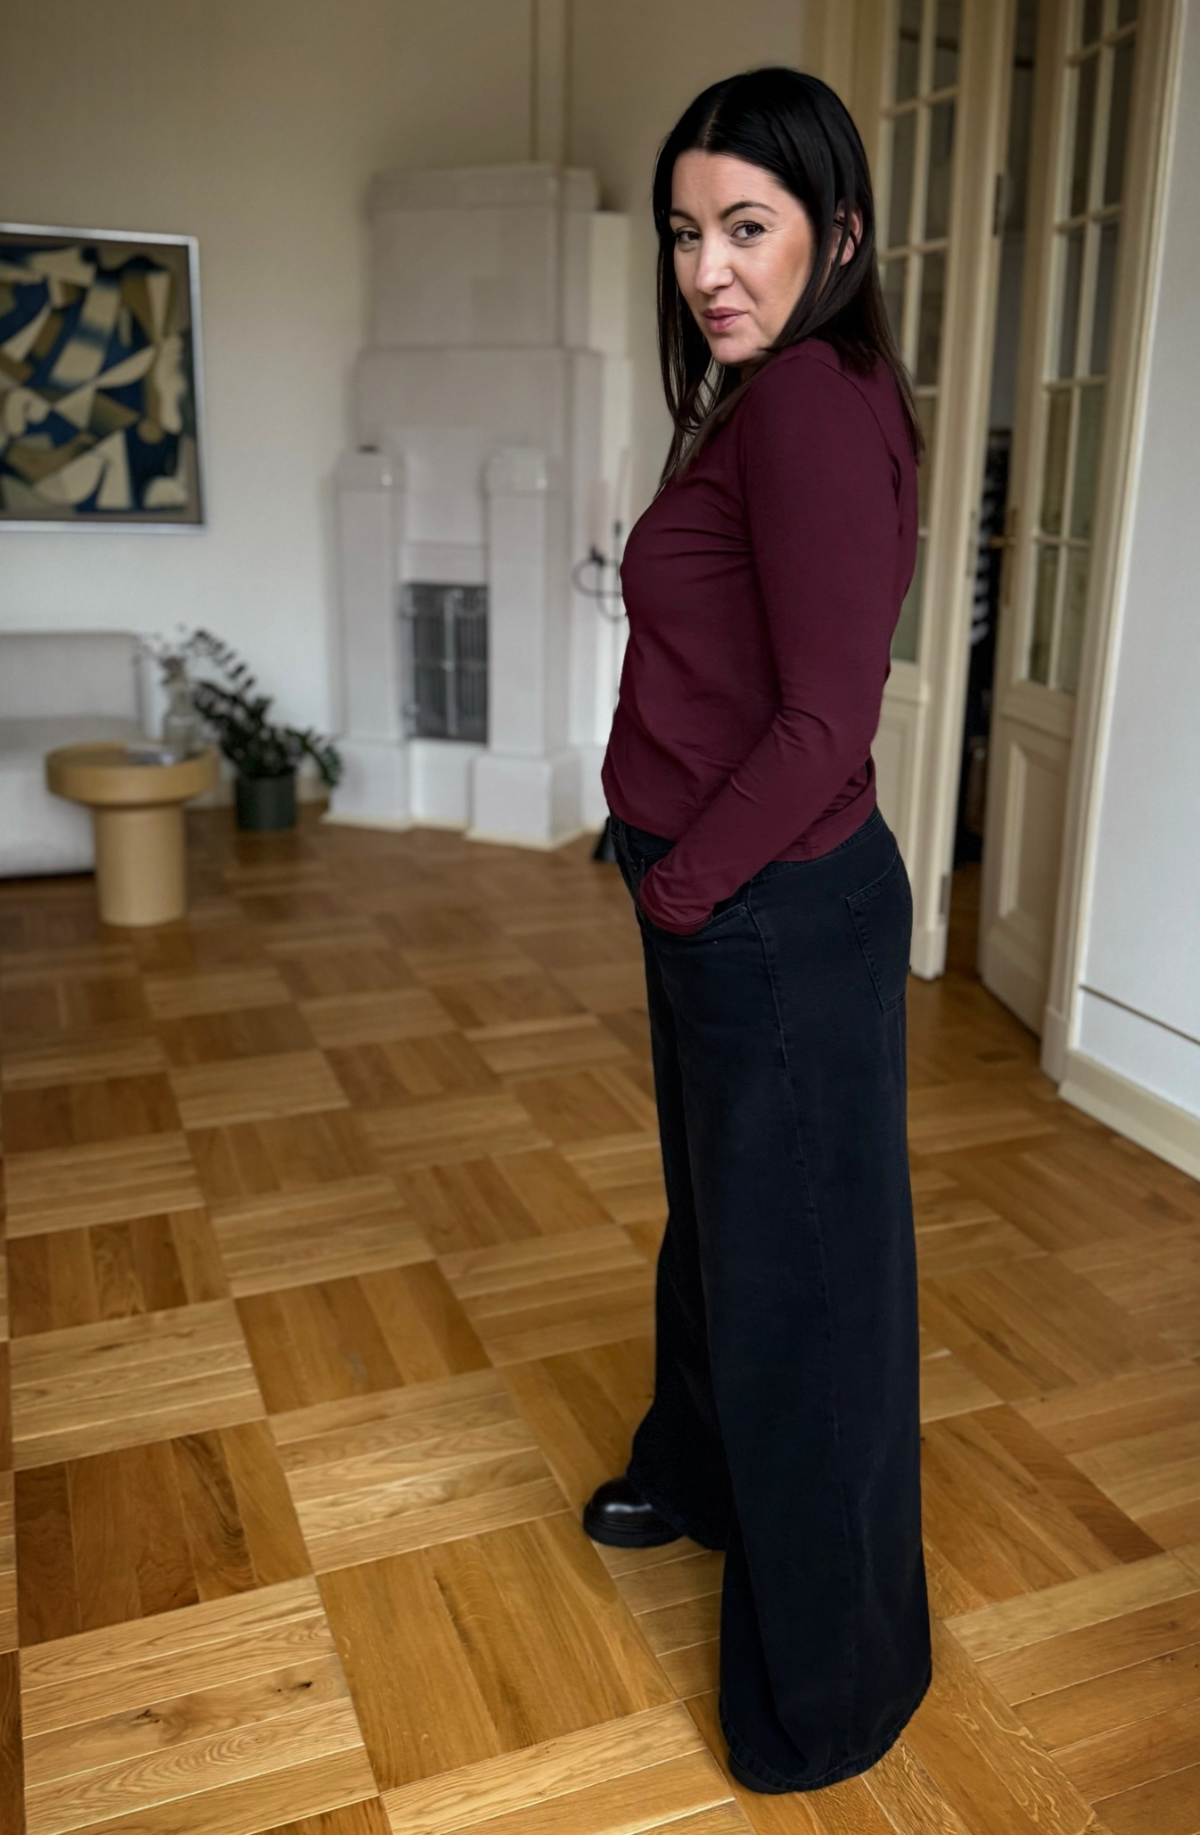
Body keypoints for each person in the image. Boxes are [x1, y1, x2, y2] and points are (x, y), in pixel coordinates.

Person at [581, 66, 933, 1795]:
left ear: (835, 234)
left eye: (745, 226)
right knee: (727, 1232)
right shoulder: (770, 393)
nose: (707, 267)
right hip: (729, 893)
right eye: (684, 231)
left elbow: (823, 721)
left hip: (766, 906)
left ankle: (836, 1689)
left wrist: (682, 886)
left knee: (809, 1294)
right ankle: (699, 1468)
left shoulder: (802, 404)